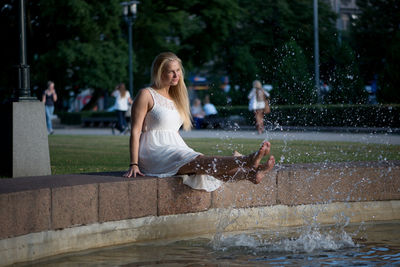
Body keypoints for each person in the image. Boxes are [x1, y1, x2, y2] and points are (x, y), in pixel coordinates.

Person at [123, 52, 275, 192]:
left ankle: (251, 175)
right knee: (200, 162)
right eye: (171, 71)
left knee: (203, 165)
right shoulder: (146, 94)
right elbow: (135, 131)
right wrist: (134, 164)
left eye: (178, 70)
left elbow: (172, 132)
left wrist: (185, 150)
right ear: (159, 72)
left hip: (174, 147)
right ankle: (247, 160)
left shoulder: (176, 98)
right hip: (153, 151)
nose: (176, 75)